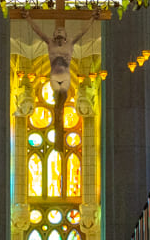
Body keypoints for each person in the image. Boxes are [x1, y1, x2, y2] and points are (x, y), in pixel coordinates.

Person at [23, 10, 98, 145]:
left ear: (65, 35)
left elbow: (83, 32)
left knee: (62, 96)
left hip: (65, 76)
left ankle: (59, 121)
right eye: (56, 31)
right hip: (54, 75)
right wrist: (28, 18)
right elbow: (38, 31)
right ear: (53, 35)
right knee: (58, 98)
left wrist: (92, 19)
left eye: (61, 31)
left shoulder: (70, 43)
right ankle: (58, 122)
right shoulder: (49, 43)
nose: (58, 32)